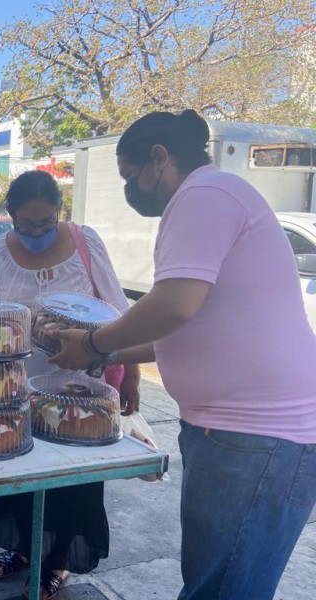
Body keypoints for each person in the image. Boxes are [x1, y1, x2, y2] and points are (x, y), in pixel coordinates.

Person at [49, 109, 316, 600]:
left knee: (223, 589)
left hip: (258, 437)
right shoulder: (210, 197)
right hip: (233, 436)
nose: (131, 191)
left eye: (131, 177)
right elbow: (187, 328)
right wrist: (99, 355)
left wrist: (92, 342)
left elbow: (173, 304)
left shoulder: (205, 194)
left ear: (159, 158)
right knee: (213, 581)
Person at [0, 170, 140, 600]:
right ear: (11, 216)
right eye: (27, 224)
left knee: (71, 481)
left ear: (59, 212)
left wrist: (132, 376)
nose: (37, 232)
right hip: (16, 387)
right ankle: (22, 550)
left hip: (82, 390)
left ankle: (57, 561)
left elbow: (120, 312)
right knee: (19, 474)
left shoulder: (85, 243)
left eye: (46, 223)